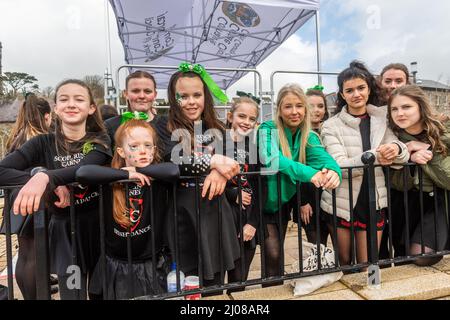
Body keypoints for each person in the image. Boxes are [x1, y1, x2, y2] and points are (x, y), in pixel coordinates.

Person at [0, 79, 112, 299]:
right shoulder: (42, 143)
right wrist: (37, 176)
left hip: (99, 227)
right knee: (72, 292)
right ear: (56, 108)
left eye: (79, 99)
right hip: (65, 232)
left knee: (101, 292)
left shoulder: (100, 141)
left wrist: (46, 178)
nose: (71, 104)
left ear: (91, 108)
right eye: (64, 99)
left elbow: (83, 171)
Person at [155, 62, 241, 290]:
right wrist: (212, 162)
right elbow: (171, 161)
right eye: (183, 96)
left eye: (197, 95)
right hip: (182, 215)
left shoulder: (218, 128)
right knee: (185, 283)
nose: (191, 102)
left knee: (214, 284)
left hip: (215, 213)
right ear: (174, 98)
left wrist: (220, 173)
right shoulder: (162, 126)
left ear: (206, 96)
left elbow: (233, 162)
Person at [76, 119, 179, 299]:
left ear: (154, 149)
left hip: (149, 263)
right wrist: (125, 174)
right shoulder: (111, 178)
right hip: (115, 263)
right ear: (121, 151)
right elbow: (83, 173)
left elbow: (173, 171)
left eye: (148, 145)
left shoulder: (158, 176)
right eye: (134, 146)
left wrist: (140, 170)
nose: (142, 150)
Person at [320, 61, 409, 267]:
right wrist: (376, 155)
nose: (356, 94)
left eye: (361, 88)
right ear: (342, 95)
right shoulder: (330, 126)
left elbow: (400, 158)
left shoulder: (383, 118)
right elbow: (340, 166)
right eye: (349, 90)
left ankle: (371, 293)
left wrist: (396, 149)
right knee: (344, 260)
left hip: (374, 199)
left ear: (369, 89)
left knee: (369, 262)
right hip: (341, 201)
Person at [257, 83, 341, 283]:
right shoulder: (267, 129)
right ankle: (269, 295)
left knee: (277, 257)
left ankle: (275, 291)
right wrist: (311, 174)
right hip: (262, 201)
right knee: (272, 254)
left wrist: (334, 172)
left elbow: (325, 160)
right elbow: (271, 158)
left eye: (299, 106)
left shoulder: (308, 135)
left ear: (305, 108)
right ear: (279, 109)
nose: (294, 112)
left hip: (283, 201)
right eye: (288, 106)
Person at [0, 93, 58, 300]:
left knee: (24, 254)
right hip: (34, 199)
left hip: (17, 198)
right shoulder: (40, 138)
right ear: (47, 116)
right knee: (35, 254)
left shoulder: (17, 135)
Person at [388, 85, 450, 266]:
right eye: (394, 109)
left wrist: (429, 151)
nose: (400, 113)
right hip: (407, 203)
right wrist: (409, 158)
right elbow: (397, 183)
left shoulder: (443, 131)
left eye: (406, 107)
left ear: (420, 107)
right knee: (403, 259)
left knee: (421, 255)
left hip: (438, 202)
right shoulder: (393, 137)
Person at [224, 96, 261, 291]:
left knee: (238, 282)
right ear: (230, 116)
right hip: (221, 219)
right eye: (241, 116)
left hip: (246, 219)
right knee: (212, 285)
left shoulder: (255, 148)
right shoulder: (217, 143)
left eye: (252, 118)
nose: (246, 122)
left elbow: (260, 188)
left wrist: (253, 223)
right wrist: (232, 193)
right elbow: (204, 180)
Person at [378, 63, 410, 260]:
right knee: (379, 242)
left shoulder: (413, 110)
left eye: (399, 80)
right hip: (379, 183)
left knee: (401, 239)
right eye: (388, 80)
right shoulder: (374, 112)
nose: (392, 85)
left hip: (404, 186)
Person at [295, 87, 331, 246]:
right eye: (311, 106)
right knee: (317, 245)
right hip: (309, 198)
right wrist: (302, 201)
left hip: (331, 197)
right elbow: (295, 169)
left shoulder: (331, 130)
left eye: (321, 106)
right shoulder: (298, 134)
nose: (316, 110)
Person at [104, 71, 159, 150]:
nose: (142, 96)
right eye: (135, 91)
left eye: (147, 91)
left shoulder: (167, 124)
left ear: (155, 95)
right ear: (125, 94)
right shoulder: (111, 126)